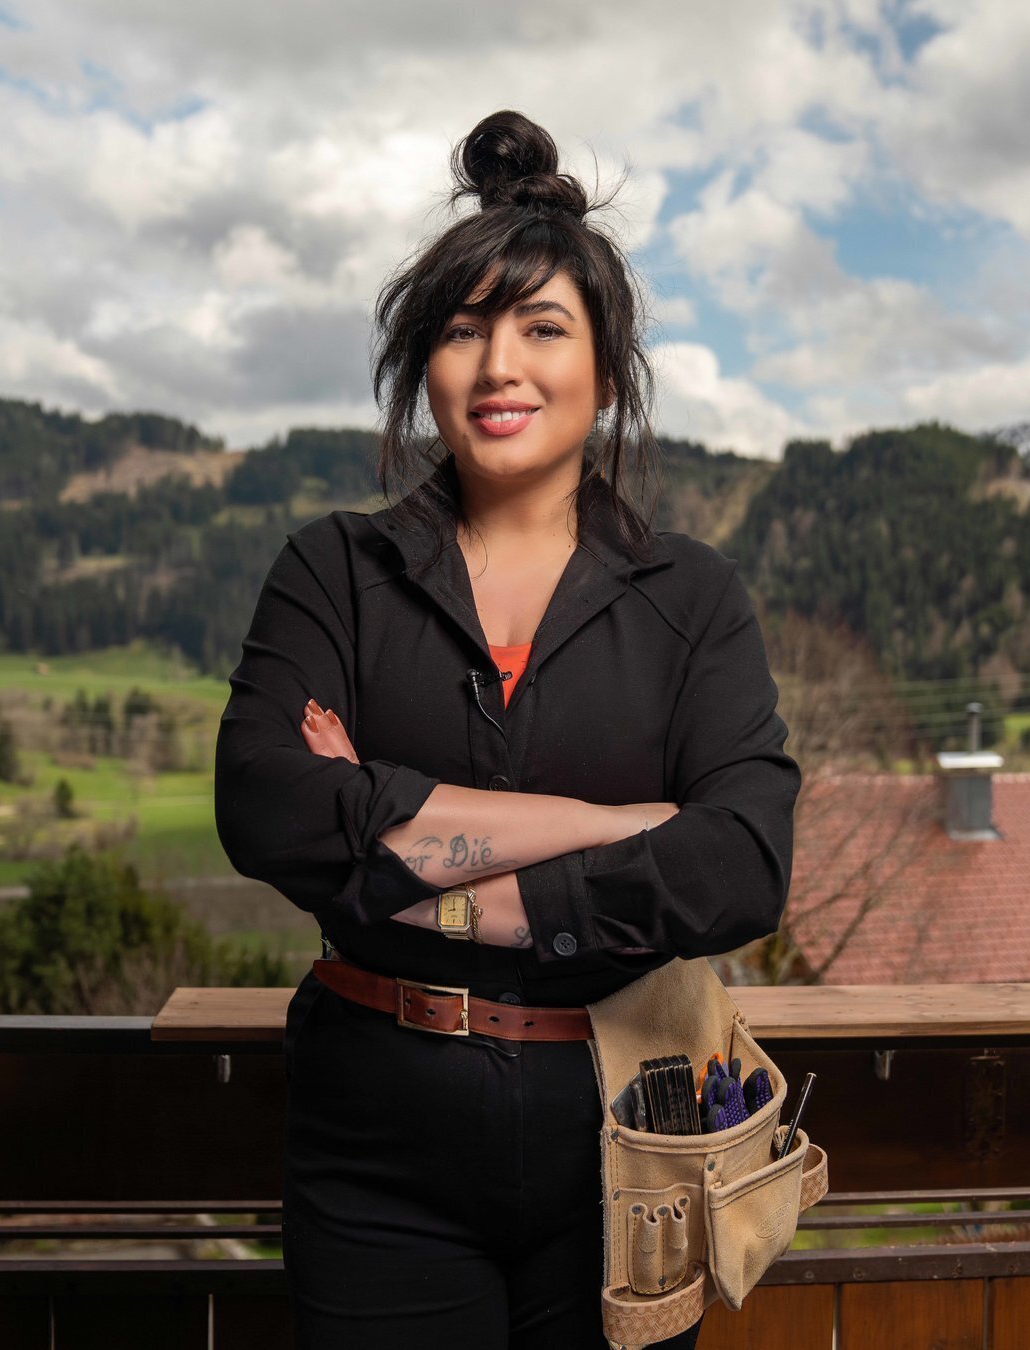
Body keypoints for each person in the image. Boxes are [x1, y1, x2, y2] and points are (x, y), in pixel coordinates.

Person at [214, 108, 802, 1350]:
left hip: (631, 1138)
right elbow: (266, 805)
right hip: (375, 1142)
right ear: (421, 365)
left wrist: (428, 858)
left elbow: (743, 861)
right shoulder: (334, 571)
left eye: (542, 327)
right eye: (461, 330)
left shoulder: (693, 598)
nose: (498, 367)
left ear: (607, 371)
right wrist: (611, 826)